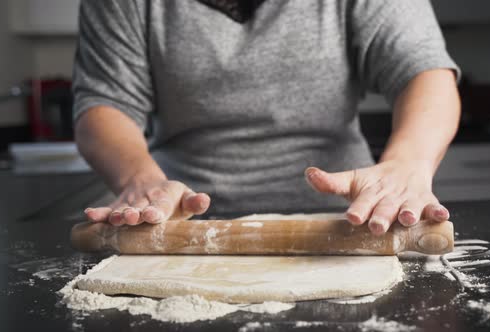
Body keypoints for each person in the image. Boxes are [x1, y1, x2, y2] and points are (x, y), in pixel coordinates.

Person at [75, 0, 461, 236]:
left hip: (348, 222)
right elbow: (105, 103)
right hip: (181, 224)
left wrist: (408, 164)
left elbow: (425, 73)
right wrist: (143, 183)